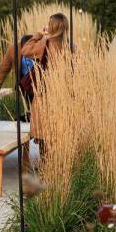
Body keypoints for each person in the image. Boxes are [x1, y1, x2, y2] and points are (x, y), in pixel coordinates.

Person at [20, 13, 70, 145]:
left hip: (45, 94)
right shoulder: (71, 46)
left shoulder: (46, 44)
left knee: (44, 135)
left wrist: (38, 35)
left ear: (52, 27)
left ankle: (45, 158)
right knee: (60, 134)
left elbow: (24, 51)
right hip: (64, 95)